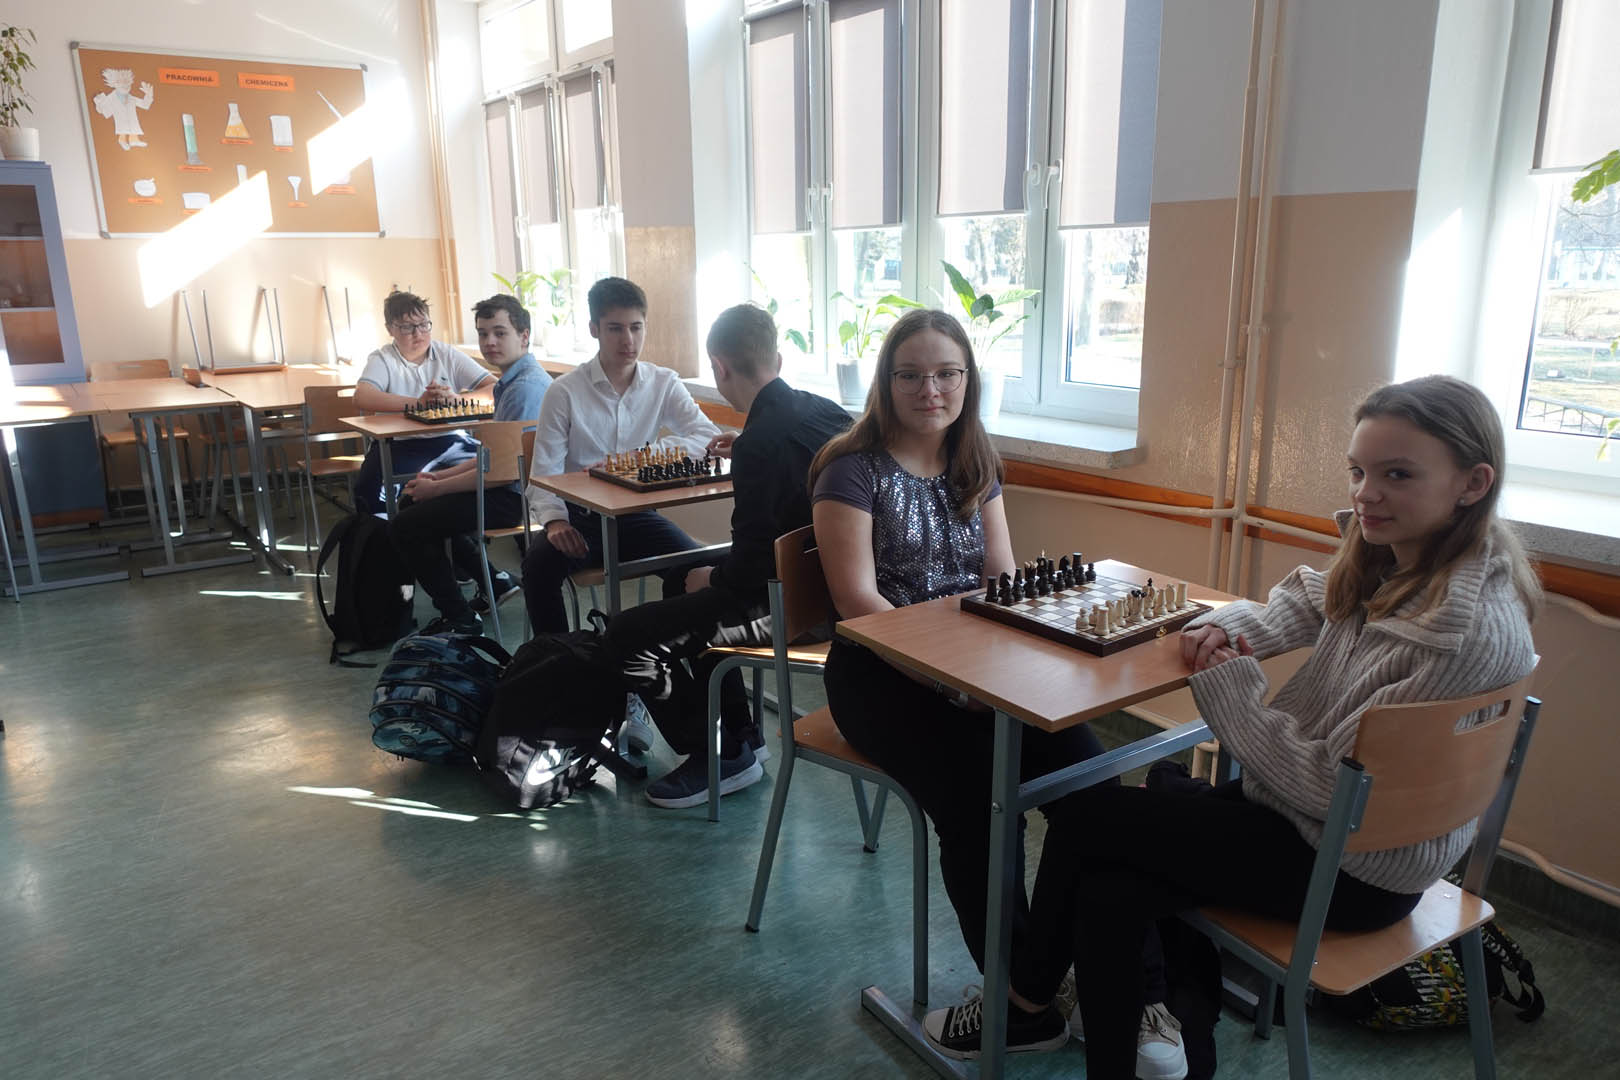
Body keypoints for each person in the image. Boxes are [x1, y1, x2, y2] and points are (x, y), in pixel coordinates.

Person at [1018, 375, 1540, 1079]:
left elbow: (1333, 790)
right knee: (1111, 891)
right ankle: (1136, 1039)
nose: (1366, 494)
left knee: (1084, 819)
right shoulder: (1423, 563)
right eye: (1358, 471)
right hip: (1324, 832)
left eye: (1397, 475)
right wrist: (1236, 628)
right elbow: (1318, 600)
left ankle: (1025, 1007)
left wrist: (1235, 693)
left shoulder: (1458, 633)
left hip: (1351, 867)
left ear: (1472, 483)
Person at [813, 309, 1150, 1064]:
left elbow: (1001, 578)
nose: (929, 389)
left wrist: (1016, 667)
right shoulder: (851, 469)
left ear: (968, 380)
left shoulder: (976, 462)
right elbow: (857, 602)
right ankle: (1021, 995)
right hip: (881, 674)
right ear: (886, 381)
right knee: (975, 808)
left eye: (947, 374)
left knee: (1095, 792)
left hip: (980, 667)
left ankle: (1114, 988)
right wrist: (950, 682)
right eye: (910, 375)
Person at [604, 303, 851, 808]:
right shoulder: (825, 411)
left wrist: (713, 578)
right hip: (837, 594)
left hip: (787, 609)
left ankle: (716, 754)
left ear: (718, 367)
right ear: (776, 359)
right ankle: (741, 733)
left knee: (625, 636)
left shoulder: (760, 444)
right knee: (680, 578)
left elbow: (750, 568)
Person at [520, 276, 721, 638]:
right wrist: (554, 522)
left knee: (701, 568)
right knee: (538, 566)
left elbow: (707, 436)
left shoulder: (663, 382)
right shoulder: (564, 392)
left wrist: (642, 457)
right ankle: (557, 658)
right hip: (580, 519)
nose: (628, 340)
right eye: (615, 328)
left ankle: (672, 656)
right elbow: (544, 471)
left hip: (635, 516)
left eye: (635, 327)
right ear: (594, 329)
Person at [387, 294, 552, 634]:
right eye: (483, 333)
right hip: (507, 487)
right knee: (412, 503)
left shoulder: (524, 389)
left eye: (500, 333)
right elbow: (491, 457)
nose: (489, 342)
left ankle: (459, 618)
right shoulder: (510, 382)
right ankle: (496, 582)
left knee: (405, 524)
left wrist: (437, 488)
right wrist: (438, 478)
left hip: (519, 499)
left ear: (524, 336)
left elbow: (500, 474)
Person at [352, 291, 496, 516]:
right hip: (400, 443)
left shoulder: (447, 354)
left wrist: (456, 400)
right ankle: (384, 533)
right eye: (407, 327)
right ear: (390, 329)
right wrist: (418, 403)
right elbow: (363, 396)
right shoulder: (383, 359)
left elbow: (496, 388)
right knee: (369, 489)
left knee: (493, 467)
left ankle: (466, 531)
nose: (417, 333)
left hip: (452, 438)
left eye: (423, 325)